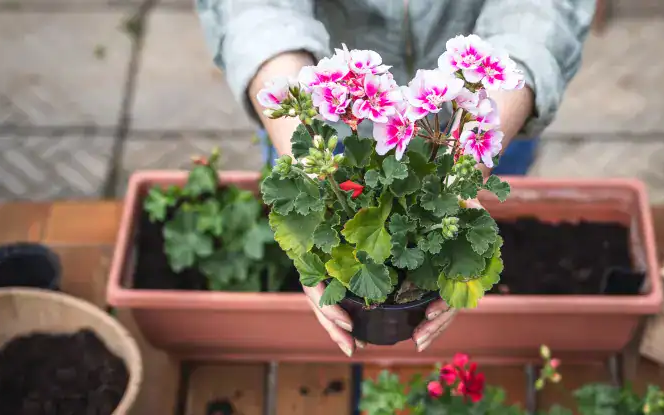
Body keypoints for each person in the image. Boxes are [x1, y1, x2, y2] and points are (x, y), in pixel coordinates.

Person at [196, 0, 595, 357]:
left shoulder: (474, 120)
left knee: (466, 223)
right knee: (311, 204)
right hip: (327, 125)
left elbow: (542, 12)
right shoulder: (316, 125)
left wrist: (467, 167)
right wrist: (304, 153)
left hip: (487, 118)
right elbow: (254, 11)